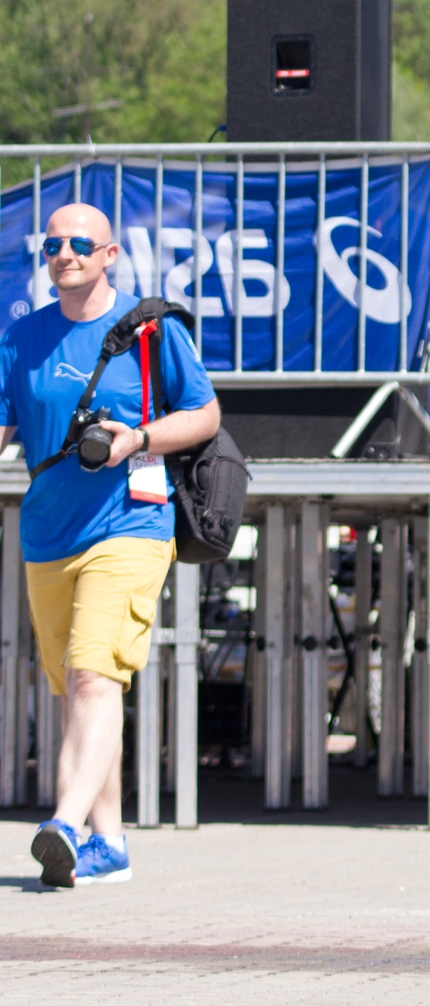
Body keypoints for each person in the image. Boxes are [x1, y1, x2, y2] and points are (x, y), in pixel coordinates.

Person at [2, 204, 219, 888]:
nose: (64, 254)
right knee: (80, 689)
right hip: (46, 532)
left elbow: (205, 412)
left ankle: (63, 823)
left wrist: (138, 439)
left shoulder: (150, 331)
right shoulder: (22, 336)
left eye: (79, 244)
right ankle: (109, 843)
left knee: (97, 673)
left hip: (130, 524)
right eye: (53, 245)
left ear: (110, 255)